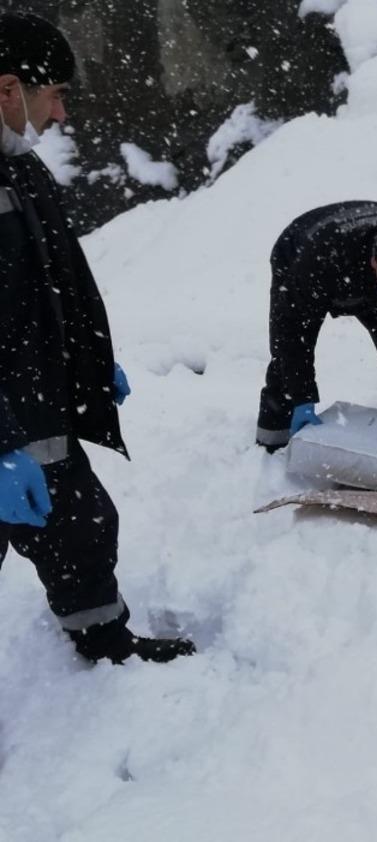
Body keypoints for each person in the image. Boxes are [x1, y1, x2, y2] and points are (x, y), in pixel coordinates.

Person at [0, 12, 195, 664]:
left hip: (31, 407)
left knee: (81, 527)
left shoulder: (19, 169)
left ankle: (104, 640)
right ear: (7, 89)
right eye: (53, 93)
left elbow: (58, 275)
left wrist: (90, 359)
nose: (58, 114)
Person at [255, 201, 377, 449]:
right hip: (305, 251)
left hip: (366, 275)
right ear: (375, 262)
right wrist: (301, 398)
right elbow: (293, 333)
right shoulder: (322, 258)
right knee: (288, 361)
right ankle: (273, 442)